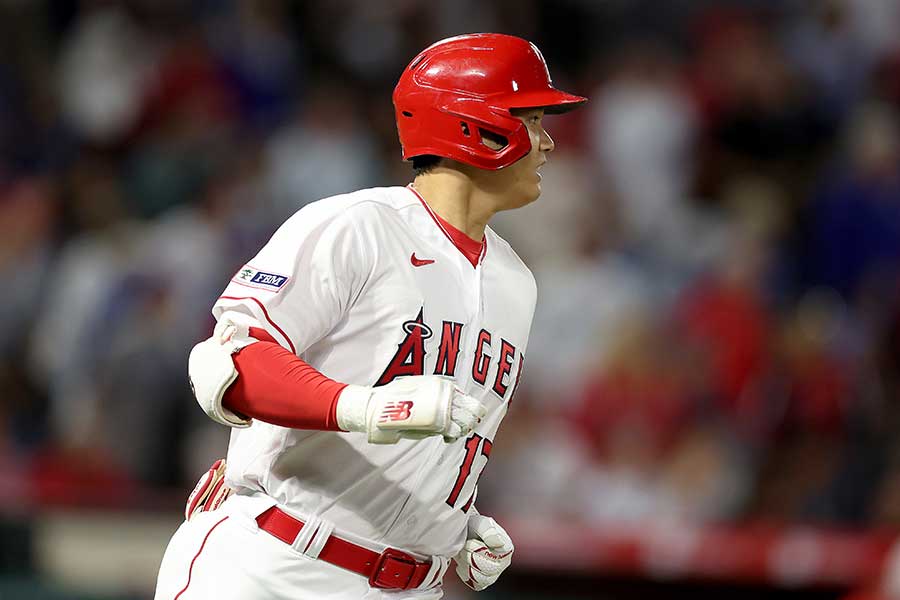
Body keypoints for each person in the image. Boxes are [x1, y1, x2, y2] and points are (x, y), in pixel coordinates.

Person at [153, 33, 586, 599]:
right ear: (474, 127)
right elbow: (229, 367)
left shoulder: (516, 283)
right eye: (531, 119)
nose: (548, 142)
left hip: (408, 587)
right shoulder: (359, 225)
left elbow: (439, 438)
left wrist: (454, 525)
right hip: (276, 562)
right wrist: (363, 406)